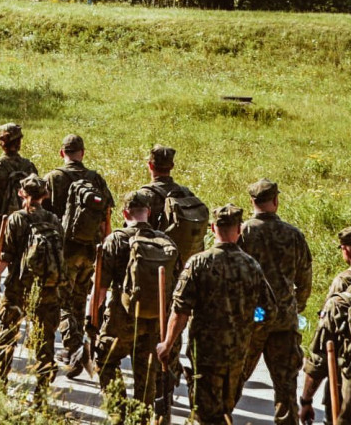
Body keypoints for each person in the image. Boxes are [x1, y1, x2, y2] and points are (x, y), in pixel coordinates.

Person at [156, 204, 275, 425]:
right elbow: (268, 311)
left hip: (205, 355)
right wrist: (249, 326)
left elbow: (181, 310)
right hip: (237, 354)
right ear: (239, 230)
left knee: (206, 415)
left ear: (212, 228)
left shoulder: (199, 263)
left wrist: (167, 344)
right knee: (224, 412)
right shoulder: (251, 266)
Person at [94, 192, 180, 421]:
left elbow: (100, 291)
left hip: (121, 318)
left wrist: (92, 319)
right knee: (147, 371)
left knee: (105, 360)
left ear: (125, 213)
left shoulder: (115, 240)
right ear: (148, 213)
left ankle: (119, 412)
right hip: (154, 319)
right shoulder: (165, 241)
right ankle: (140, 417)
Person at [238, 179, 313, 425]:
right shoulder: (293, 235)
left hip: (255, 317)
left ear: (252, 202)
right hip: (284, 317)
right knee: (285, 385)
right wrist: (294, 307)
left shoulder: (244, 232)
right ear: (276, 201)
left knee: (236, 376)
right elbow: (304, 279)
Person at [43, 133, 114, 377]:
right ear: (82, 153)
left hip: (65, 250)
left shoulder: (53, 178)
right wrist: (105, 245)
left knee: (61, 301)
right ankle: (81, 344)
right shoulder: (95, 179)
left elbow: (43, 217)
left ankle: (74, 350)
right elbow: (107, 216)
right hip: (91, 250)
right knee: (80, 300)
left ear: (62, 153)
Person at [0, 175, 63, 397]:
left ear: (22, 193)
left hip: (17, 288)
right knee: (45, 339)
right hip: (47, 288)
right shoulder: (54, 220)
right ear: (45, 195)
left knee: (8, 334)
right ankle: (41, 392)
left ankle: (0, 385)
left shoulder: (16, 219)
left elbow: (6, 257)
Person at [0, 123, 38, 353]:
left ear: (1, 142)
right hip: (23, 231)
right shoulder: (29, 167)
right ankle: (14, 324)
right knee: (18, 281)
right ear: (19, 142)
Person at [297, 227, 351, 425]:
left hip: (345, 395)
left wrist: (306, 399)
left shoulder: (342, 290)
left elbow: (320, 355)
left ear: (346, 250)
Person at [137, 145, 209, 266]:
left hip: (159, 263)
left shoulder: (143, 196)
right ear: (172, 166)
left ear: (150, 165)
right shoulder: (186, 193)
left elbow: (135, 232)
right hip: (186, 262)